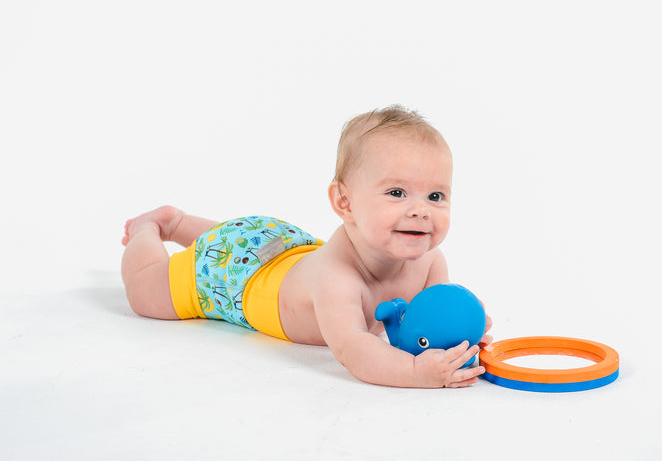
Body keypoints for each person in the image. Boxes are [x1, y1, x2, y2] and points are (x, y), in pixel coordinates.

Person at [121, 105, 492, 388]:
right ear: (344, 203)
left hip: (280, 244)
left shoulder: (430, 262)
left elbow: (427, 324)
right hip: (233, 278)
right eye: (397, 193)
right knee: (146, 292)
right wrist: (416, 372)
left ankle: (184, 224)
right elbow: (354, 349)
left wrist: (462, 338)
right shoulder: (336, 279)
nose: (420, 211)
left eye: (436, 195)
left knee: (229, 237)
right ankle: (156, 227)